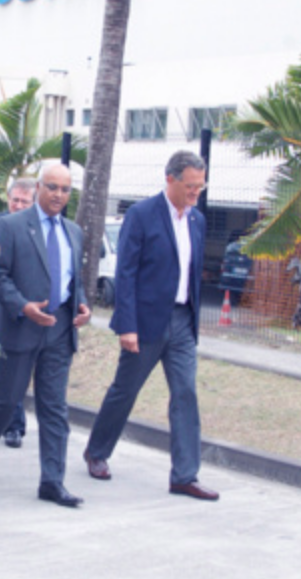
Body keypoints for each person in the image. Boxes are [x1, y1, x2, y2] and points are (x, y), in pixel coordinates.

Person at [84, 150, 219, 501]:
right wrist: (126, 325)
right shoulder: (142, 215)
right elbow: (125, 272)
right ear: (170, 179)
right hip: (144, 323)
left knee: (186, 394)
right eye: (190, 187)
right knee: (125, 391)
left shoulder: (197, 221)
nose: (195, 194)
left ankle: (185, 476)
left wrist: (191, 320)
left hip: (182, 321)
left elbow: (192, 274)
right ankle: (97, 451)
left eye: (200, 188)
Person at [0, 164, 91, 508]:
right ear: (38, 189)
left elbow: (72, 279)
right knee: (4, 402)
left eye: (65, 189)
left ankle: (52, 481)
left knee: (55, 408)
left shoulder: (73, 231)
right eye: (52, 187)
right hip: (21, 328)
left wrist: (83, 305)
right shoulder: (11, 226)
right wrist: (22, 306)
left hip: (60, 332)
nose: (59, 195)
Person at [0, 178, 36, 448]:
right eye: (14, 200)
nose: (18, 205)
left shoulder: (36, 230)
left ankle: (14, 426)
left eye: (24, 201)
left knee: (12, 373)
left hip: (19, 311)